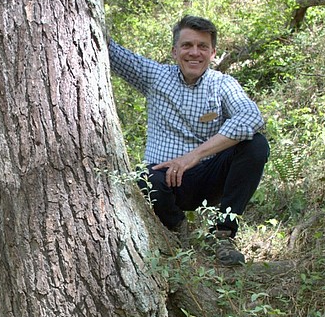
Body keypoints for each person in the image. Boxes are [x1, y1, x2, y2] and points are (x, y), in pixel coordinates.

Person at [108, 15, 270, 265]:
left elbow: (251, 116)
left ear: (213, 52)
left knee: (256, 145)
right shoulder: (155, 76)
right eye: (187, 45)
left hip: (207, 177)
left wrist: (193, 156)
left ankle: (223, 236)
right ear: (174, 51)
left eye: (202, 46)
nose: (194, 53)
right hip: (164, 182)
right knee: (144, 177)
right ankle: (181, 234)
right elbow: (111, 50)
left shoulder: (222, 85)